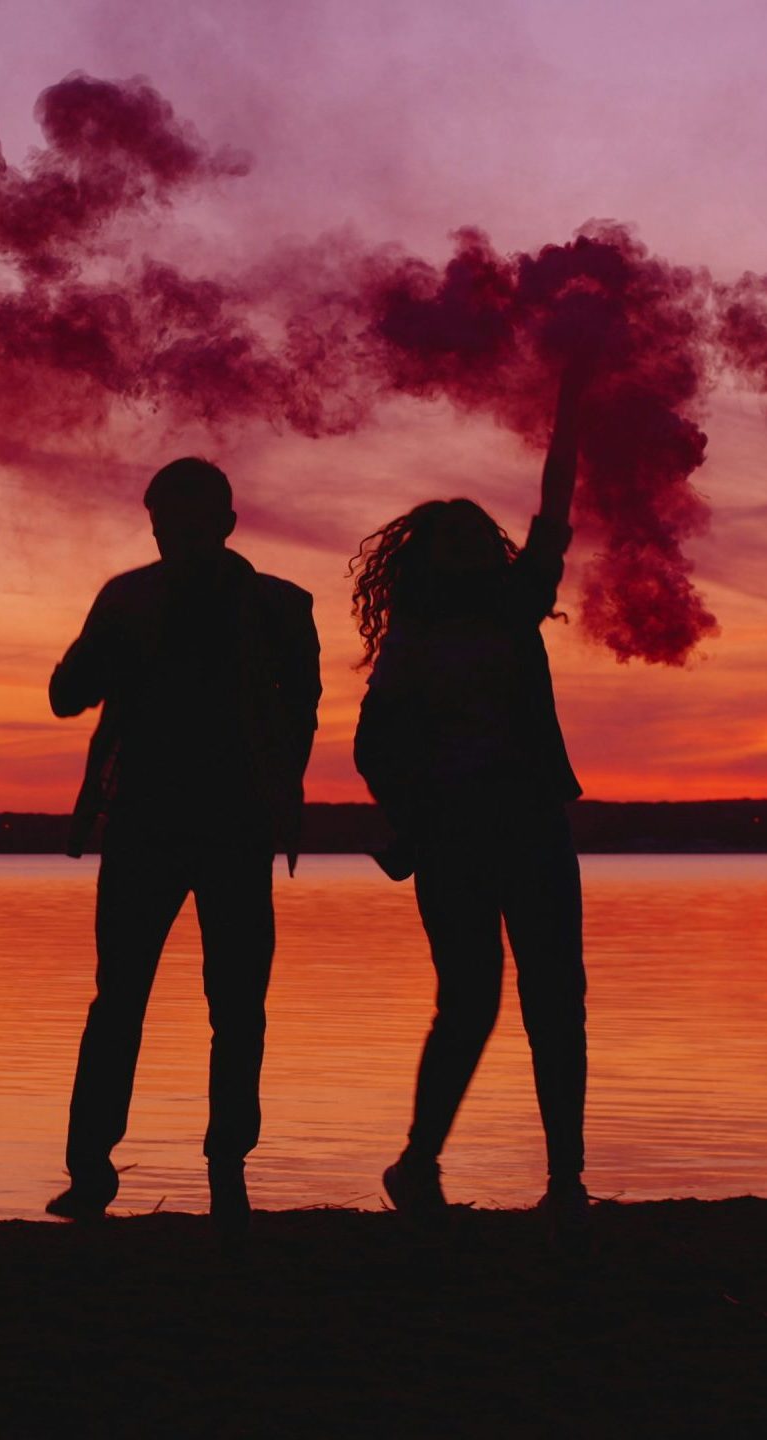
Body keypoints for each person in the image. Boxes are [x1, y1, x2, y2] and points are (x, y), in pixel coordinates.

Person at [46, 457, 320, 1244]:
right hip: (146, 823)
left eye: (195, 523)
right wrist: (103, 657)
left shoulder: (278, 607)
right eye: (170, 525)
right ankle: (92, 1174)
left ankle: (225, 1170)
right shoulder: (129, 598)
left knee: (234, 1005)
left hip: (234, 825)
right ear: (156, 525)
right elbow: (69, 697)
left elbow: (300, 716)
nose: (181, 537)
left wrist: (281, 801)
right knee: (121, 1002)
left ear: (227, 525)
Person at [352, 359, 592, 1239]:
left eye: (468, 541)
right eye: (444, 543)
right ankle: (418, 1164)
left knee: (555, 997)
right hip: (454, 838)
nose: (459, 553)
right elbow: (371, 745)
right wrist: (411, 814)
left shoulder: (514, 605)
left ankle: (566, 1180)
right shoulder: (410, 643)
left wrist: (570, 404)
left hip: (530, 827)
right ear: (423, 561)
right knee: (472, 1002)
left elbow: (556, 506)